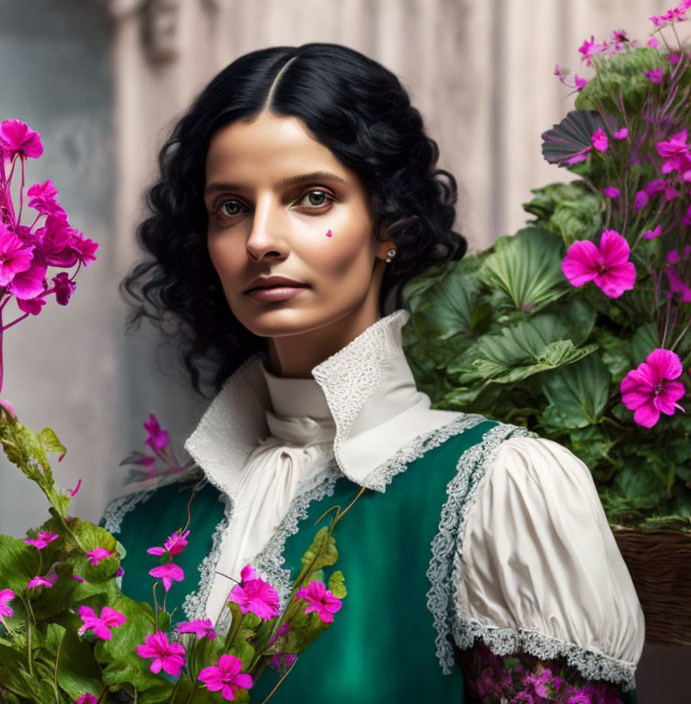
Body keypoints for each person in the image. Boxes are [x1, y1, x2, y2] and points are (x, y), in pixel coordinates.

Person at [101, 43, 644, 703]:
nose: (260, 240)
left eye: (312, 197)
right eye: (231, 208)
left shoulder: (502, 486)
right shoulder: (129, 534)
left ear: (387, 225)